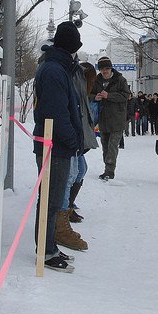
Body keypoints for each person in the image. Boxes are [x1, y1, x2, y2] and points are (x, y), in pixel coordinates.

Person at [33, 21, 86, 272]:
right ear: (70, 47)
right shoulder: (55, 70)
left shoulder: (58, 67)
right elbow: (55, 113)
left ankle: (49, 246)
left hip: (57, 144)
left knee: (52, 199)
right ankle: (45, 251)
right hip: (54, 146)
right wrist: (73, 140)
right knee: (51, 201)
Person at [68, 61, 99, 224]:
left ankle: (68, 205)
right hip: (71, 141)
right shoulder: (76, 90)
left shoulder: (82, 92)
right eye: (91, 81)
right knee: (75, 172)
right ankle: (66, 209)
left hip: (76, 141)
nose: (92, 84)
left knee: (80, 170)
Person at [91, 56, 130, 180]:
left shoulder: (120, 80)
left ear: (111, 68)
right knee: (105, 146)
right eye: (102, 69)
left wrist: (109, 95)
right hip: (103, 119)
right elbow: (89, 94)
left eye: (107, 68)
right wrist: (94, 97)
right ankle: (107, 168)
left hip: (117, 119)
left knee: (113, 146)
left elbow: (125, 95)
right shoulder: (96, 81)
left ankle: (109, 170)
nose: (104, 71)